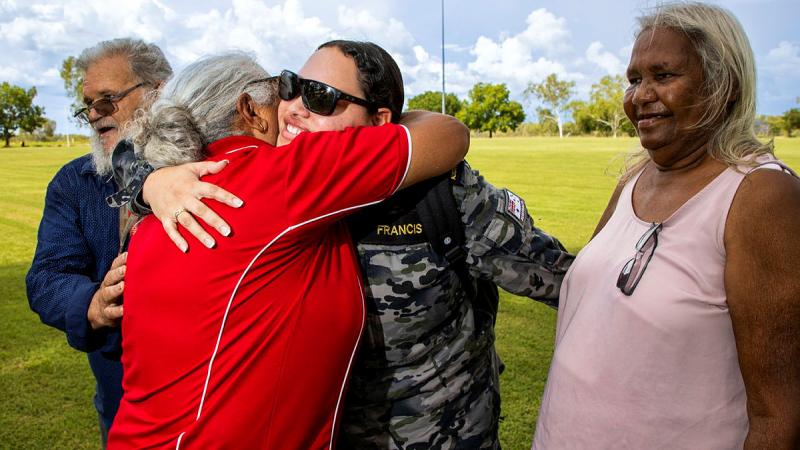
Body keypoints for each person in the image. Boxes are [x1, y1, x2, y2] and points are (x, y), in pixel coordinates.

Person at [141, 40, 572, 449]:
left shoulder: (444, 196)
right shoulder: (247, 194)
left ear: (380, 123)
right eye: (290, 87)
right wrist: (151, 183)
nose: (294, 110)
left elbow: (567, 282)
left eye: (321, 97)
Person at [106, 52, 468, 449]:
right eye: (284, 91)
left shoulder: (154, 212)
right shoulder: (280, 178)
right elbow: (449, 134)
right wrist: (382, 127)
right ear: (250, 110)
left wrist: (146, 181)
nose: (294, 106)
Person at [532, 3, 800, 449]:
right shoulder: (634, 180)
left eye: (663, 76)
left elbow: (780, 417)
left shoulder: (762, 197)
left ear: (723, 85)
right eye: (635, 79)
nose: (639, 96)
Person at [25, 38, 172, 445]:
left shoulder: (209, 165)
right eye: (88, 105)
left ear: (159, 92)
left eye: (107, 100)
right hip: (124, 402)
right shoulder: (75, 183)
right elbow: (48, 276)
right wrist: (89, 302)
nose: (94, 115)